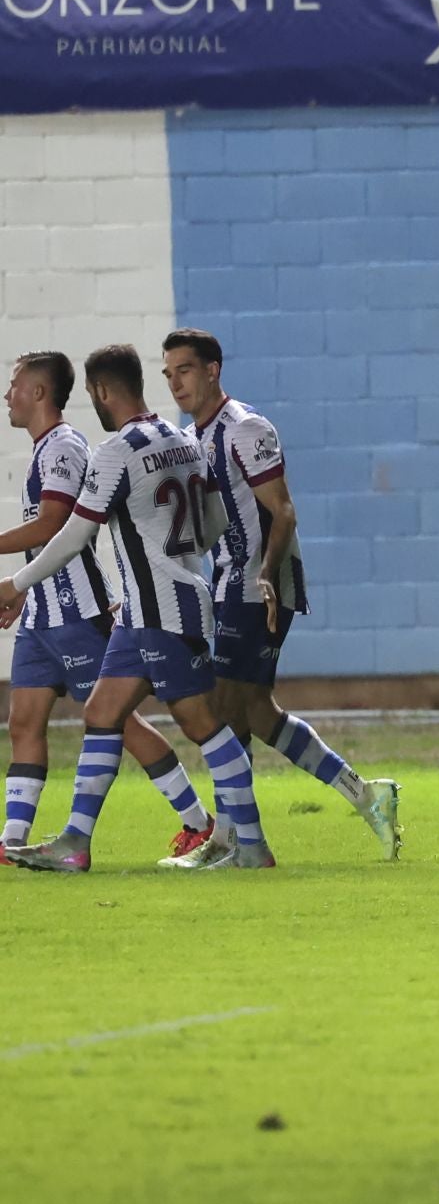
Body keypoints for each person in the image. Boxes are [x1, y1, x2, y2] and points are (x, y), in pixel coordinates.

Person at [1, 344, 268, 872]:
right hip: (149, 610)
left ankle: (250, 844)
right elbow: (214, 521)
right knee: (102, 713)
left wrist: (20, 580)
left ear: (101, 392)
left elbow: (76, 532)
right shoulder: (184, 440)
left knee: (203, 724)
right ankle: (74, 845)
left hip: (161, 610)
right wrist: (179, 554)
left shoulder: (117, 450)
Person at [160, 329, 401, 862]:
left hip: (260, 585)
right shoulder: (196, 438)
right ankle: (366, 796)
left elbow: (284, 510)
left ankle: (239, 843)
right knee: (256, 713)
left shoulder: (246, 428)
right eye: (169, 373)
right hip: (229, 583)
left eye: (185, 370)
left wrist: (266, 574)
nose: (176, 382)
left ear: (213, 370)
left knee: (219, 708)